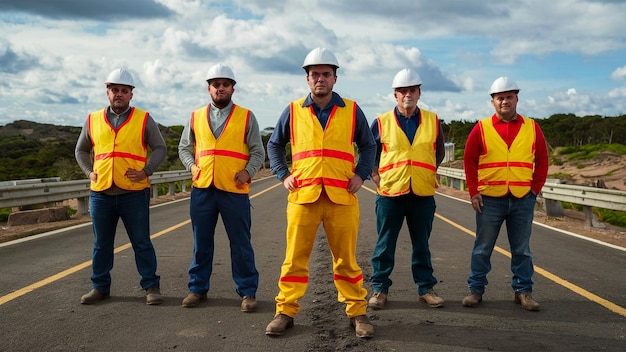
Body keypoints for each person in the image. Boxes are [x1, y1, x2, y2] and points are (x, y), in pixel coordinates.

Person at [265, 47, 376, 338]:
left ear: (335, 79)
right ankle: (285, 311)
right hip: (304, 195)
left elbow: (369, 145)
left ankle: (357, 312)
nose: (320, 79)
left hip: (341, 196)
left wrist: (361, 174)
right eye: (315, 74)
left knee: (347, 260)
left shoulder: (351, 110)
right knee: (294, 258)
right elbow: (275, 145)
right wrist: (283, 174)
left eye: (326, 74)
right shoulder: (292, 110)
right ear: (307, 79)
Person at [75, 68, 166, 305]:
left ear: (131, 95)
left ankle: (151, 286)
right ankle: (99, 287)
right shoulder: (93, 119)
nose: (119, 94)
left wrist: (146, 171)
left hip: (134, 194)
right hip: (101, 193)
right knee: (101, 244)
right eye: (114, 90)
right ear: (107, 92)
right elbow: (81, 150)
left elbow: (160, 148)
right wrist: (89, 171)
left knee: (141, 242)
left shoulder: (144, 118)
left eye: (124, 91)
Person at [178, 63, 264, 312]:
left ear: (232, 89)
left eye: (225, 84)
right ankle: (197, 289)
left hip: (234, 190)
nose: (220, 88)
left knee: (240, 243)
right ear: (209, 89)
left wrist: (248, 172)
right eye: (216, 85)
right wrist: (192, 167)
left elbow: (257, 150)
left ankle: (247, 292)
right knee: (201, 242)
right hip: (203, 188)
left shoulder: (246, 116)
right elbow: (184, 147)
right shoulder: (195, 116)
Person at [462, 77, 549, 311]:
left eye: (509, 96)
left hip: (522, 198)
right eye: (500, 97)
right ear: (493, 102)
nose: (505, 101)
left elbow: (542, 160)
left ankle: (524, 292)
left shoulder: (532, 127)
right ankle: (476, 290)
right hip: (490, 199)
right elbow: (469, 161)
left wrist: (534, 190)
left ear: (516, 99)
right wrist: (473, 192)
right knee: (482, 247)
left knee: (522, 249)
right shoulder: (481, 128)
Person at [367, 69, 446, 310]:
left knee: (421, 244)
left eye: (412, 90)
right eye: (402, 91)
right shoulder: (381, 122)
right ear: (395, 95)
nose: (407, 95)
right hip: (390, 193)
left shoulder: (432, 120)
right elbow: (369, 151)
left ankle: (426, 288)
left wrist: (425, 172)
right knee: (385, 244)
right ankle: (380, 289)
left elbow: (439, 151)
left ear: (419, 93)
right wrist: (374, 174)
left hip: (422, 193)